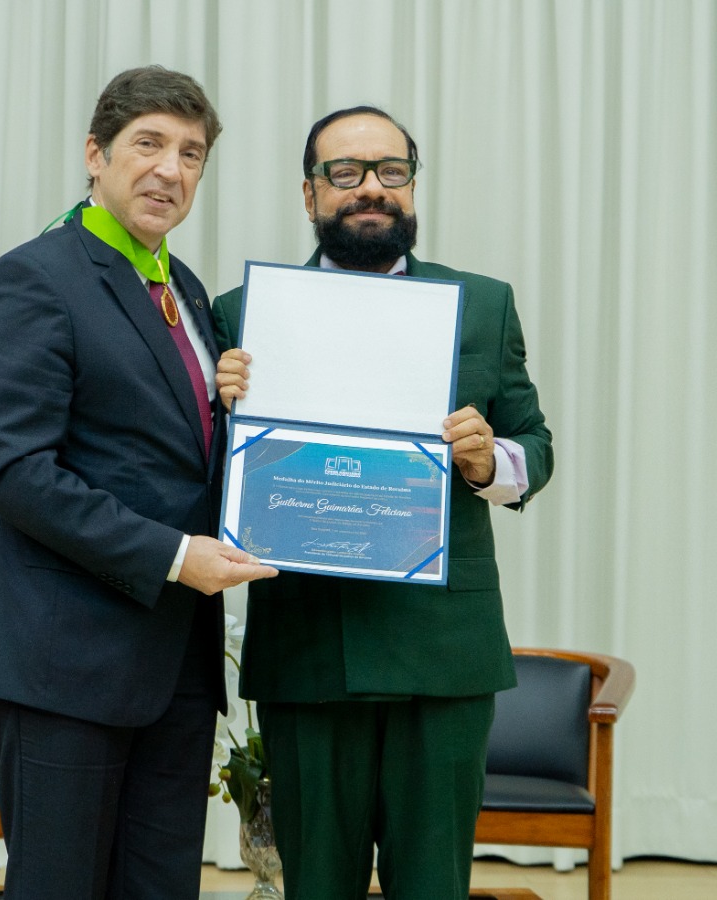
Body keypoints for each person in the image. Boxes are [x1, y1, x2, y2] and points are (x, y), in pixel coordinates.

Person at [0, 66, 277, 900]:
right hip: (65, 661)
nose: (170, 169)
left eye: (190, 154)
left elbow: (166, 452)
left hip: (175, 663)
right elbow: (14, 470)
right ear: (95, 154)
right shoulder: (36, 277)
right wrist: (176, 557)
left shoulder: (181, 287)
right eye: (148, 144)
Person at [212, 106, 554, 900]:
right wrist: (222, 412)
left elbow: (534, 446)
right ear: (309, 193)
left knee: (433, 887)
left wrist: (488, 461)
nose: (372, 188)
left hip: (444, 653)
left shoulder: (484, 303)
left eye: (391, 171)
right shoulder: (241, 314)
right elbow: (205, 474)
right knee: (314, 887)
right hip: (307, 650)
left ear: (412, 185)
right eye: (346, 172)